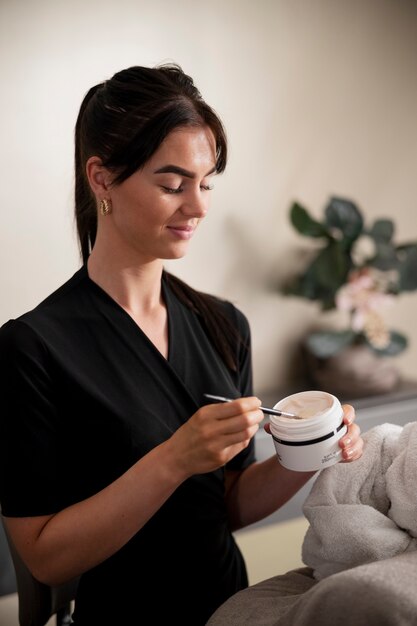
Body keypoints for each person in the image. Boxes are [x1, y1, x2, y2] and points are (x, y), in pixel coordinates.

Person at [0, 63, 363, 626]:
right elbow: (45, 559)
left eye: (206, 183)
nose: (198, 207)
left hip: (233, 609)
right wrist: (172, 459)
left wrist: (311, 449)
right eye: (173, 185)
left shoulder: (223, 324)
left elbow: (227, 504)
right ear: (101, 179)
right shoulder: (33, 347)